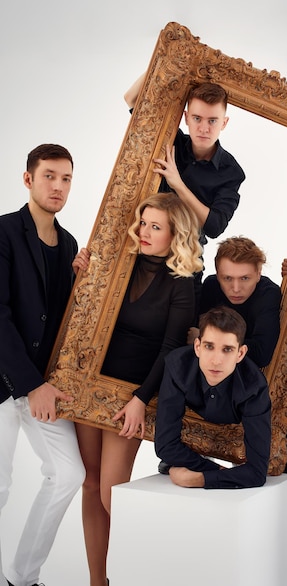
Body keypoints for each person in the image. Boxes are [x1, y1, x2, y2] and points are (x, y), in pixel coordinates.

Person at [73, 192, 203, 586]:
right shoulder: (119, 264)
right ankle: (99, 581)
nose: (145, 232)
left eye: (155, 227)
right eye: (143, 223)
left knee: (113, 493)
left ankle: (139, 574)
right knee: (90, 483)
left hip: (133, 393)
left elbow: (171, 348)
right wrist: (80, 276)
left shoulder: (182, 282)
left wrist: (140, 400)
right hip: (90, 384)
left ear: (173, 234)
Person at [186, 236, 287, 586]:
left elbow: (260, 353)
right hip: (242, 385)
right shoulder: (209, 288)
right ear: (216, 273)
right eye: (227, 278)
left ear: (259, 274)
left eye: (244, 278)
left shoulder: (268, 294)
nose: (235, 287)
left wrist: (211, 345)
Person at [0, 144, 86, 586]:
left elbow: (60, 320)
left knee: (69, 472)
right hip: (5, 380)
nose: (58, 186)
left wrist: (82, 283)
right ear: (28, 179)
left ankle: (21, 577)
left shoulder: (68, 243)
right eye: (49, 176)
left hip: (42, 383)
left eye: (66, 178)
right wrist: (29, 384)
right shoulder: (3, 232)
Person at [124, 75, 246, 318]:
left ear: (224, 123)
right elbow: (132, 99)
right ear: (186, 117)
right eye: (197, 118)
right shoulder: (170, 140)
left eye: (213, 120)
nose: (204, 128)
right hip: (142, 252)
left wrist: (177, 183)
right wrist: (172, 61)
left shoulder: (231, 172)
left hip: (185, 266)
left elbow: (214, 226)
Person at [155, 306, 271, 488]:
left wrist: (199, 479)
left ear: (240, 353)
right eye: (209, 347)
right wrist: (218, 472)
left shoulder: (254, 387)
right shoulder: (177, 366)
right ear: (197, 347)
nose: (216, 361)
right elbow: (165, 446)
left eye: (227, 350)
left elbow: (257, 473)